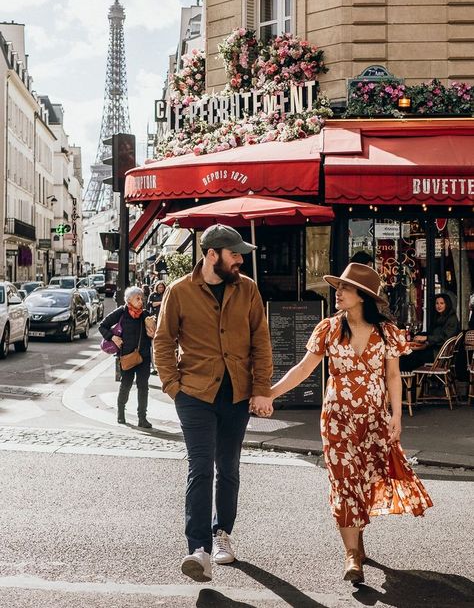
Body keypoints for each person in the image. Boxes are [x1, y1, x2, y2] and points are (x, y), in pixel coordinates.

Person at [269, 263, 433, 584]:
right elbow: (304, 369)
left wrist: (396, 416)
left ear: (362, 296)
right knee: (344, 483)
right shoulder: (328, 328)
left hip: (374, 420)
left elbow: (392, 376)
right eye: (339, 287)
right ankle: (351, 556)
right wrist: (270, 393)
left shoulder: (387, 332)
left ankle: (356, 539)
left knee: (366, 482)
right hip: (337, 420)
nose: (338, 292)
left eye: (344, 288)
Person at [154, 224, 273, 582]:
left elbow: (261, 342)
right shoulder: (180, 291)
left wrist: (262, 388)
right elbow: (163, 340)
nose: (240, 259)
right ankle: (199, 548)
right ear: (211, 255)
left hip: (236, 393)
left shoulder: (247, 289)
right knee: (201, 466)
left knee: (229, 468)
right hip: (194, 394)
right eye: (234, 253)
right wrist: (173, 385)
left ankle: (224, 534)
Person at [99, 286, 156, 428]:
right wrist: (113, 337)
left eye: (142, 298)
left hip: (143, 357)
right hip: (126, 356)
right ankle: (121, 413)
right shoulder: (121, 312)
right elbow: (103, 326)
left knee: (143, 387)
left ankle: (142, 418)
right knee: (126, 385)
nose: (141, 301)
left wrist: (152, 333)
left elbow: (154, 334)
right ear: (129, 299)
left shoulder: (145, 314)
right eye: (138, 298)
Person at [400, 293, 460, 371]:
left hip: (439, 354)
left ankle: (408, 380)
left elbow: (444, 337)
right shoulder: (440, 317)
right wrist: (420, 335)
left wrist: (426, 338)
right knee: (408, 355)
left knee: (410, 357)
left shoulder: (452, 319)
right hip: (435, 350)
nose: (439, 306)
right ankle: (409, 380)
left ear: (447, 304)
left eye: (442, 303)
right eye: (437, 303)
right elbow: (433, 334)